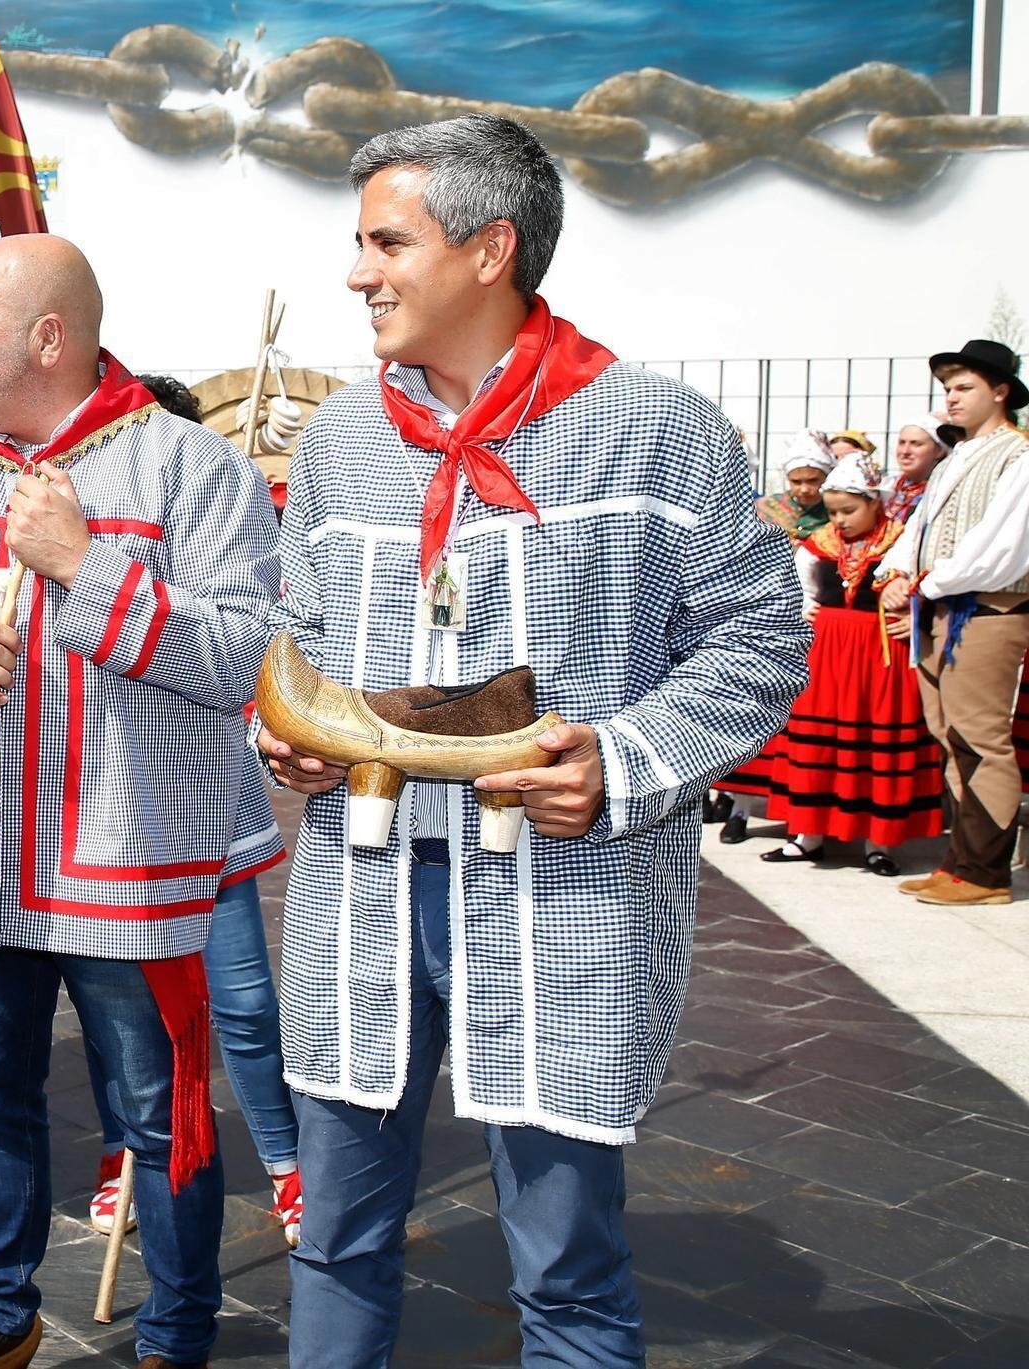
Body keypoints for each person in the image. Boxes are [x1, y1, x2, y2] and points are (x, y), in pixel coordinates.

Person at [260, 116, 805, 1369]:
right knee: (334, 1236)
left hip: (563, 894)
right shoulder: (339, 441)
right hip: (363, 886)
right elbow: (300, 631)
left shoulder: (656, 431)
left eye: (385, 242)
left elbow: (760, 638)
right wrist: (286, 742)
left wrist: (622, 761)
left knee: (565, 1261)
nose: (356, 273)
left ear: (488, 248)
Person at [0, 234, 276, 1369]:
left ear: (47, 337)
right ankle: (1, 1314)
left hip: (127, 860)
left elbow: (242, 655)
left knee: (159, 1116)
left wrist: (84, 567)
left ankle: (176, 1334)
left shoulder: (193, 467)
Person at [81, 371, 300, 1251]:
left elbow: (244, 642)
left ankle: (288, 1161)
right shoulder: (81, 525)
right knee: (117, 1015)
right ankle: (126, 1152)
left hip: (207, 810)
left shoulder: (220, 515)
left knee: (242, 1003)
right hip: (112, 812)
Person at [879, 339, 1029, 906]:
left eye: (965, 387)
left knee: (980, 738)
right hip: (942, 608)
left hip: (988, 609)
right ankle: (962, 862)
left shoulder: (1019, 456)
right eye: (948, 389)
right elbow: (916, 532)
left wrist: (924, 583)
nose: (953, 398)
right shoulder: (955, 459)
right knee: (949, 735)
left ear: (1001, 391)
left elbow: (1000, 548)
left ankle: (987, 874)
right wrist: (896, 574)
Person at [742, 452, 942, 873]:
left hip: (879, 654)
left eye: (849, 510)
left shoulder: (901, 543)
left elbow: (926, 588)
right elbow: (797, 586)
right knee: (818, 739)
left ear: (874, 502)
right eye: (833, 511)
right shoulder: (821, 544)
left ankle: (878, 842)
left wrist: (915, 618)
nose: (840, 519)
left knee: (875, 744)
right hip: (827, 653)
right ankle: (806, 836)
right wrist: (803, 607)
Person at [752, 432, 834, 541]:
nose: (804, 489)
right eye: (796, 482)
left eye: (812, 481)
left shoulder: (836, 512)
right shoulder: (765, 507)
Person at [884, 416, 950, 526]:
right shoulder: (887, 488)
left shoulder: (941, 491)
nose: (905, 451)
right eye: (902, 443)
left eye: (916, 444)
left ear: (939, 451)